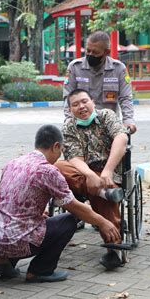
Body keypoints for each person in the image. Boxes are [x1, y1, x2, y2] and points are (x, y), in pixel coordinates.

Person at [0, 125, 120, 282]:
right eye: (60, 150)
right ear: (56, 146)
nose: (59, 156)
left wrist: (36, 213)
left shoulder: (13, 163)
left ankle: (3, 261)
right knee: (69, 220)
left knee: (30, 223)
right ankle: (40, 270)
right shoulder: (48, 171)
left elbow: (10, 201)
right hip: (17, 239)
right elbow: (74, 206)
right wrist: (102, 222)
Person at [56, 89, 128, 270]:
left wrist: (107, 171)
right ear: (70, 109)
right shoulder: (69, 126)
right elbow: (74, 158)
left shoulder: (106, 116)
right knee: (58, 167)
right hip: (83, 175)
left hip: (109, 175)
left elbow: (121, 138)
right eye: (75, 104)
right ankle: (103, 193)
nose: (81, 106)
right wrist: (89, 175)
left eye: (84, 101)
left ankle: (113, 249)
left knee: (102, 194)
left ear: (92, 102)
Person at [63, 31, 137, 134]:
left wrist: (128, 120)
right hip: (82, 126)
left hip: (109, 127)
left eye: (95, 52)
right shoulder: (75, 67)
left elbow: (125, 98)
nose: (90, 54)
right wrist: (69, 121)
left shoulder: (119, 69)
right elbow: (67, 98)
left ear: (106, 52)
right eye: (88, 51)